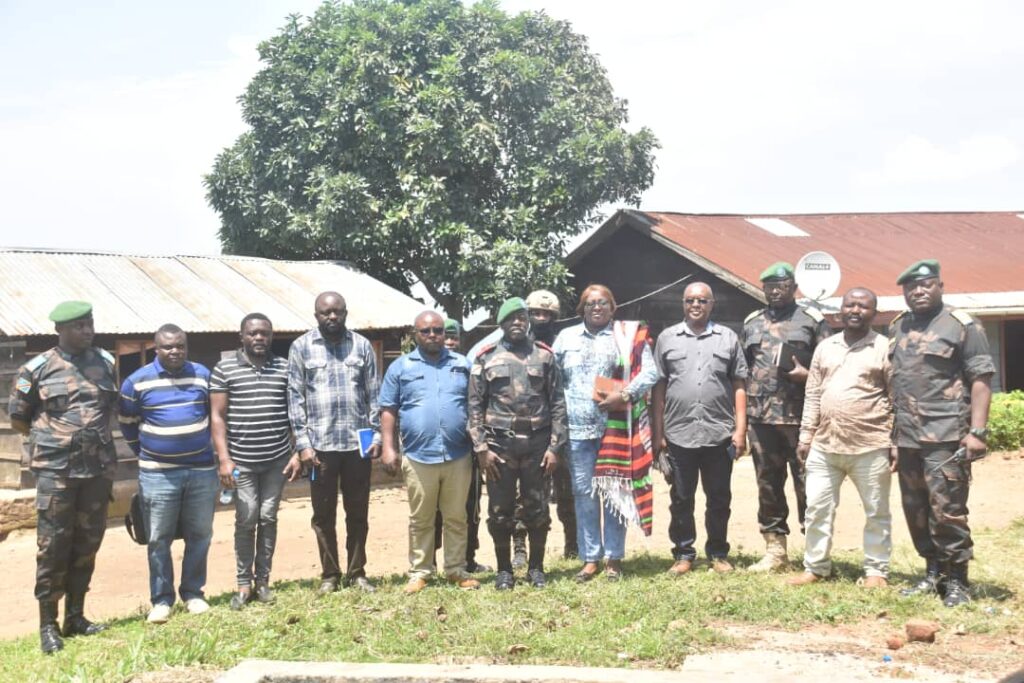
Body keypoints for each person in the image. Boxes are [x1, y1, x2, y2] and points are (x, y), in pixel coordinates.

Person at [8, 301, 118, 653]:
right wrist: (56, 440)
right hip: (57, 472)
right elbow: (19, 419)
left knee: (87, 544)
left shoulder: (105, 361)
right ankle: (48, 626)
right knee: (53, 547)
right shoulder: (36, 369)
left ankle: (76, 617)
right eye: (80, 326)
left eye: (90, 324)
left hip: (97, 469)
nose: (88, 331)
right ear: (61, 330)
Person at [890, 260, 995, 607]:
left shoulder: (961, 325)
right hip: (907, 437)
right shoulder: (898, 326)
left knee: (947, 509)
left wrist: (977, 432)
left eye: (926, 284)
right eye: (911, 287)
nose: (918, 291)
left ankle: (958, 582)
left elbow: (981, 380)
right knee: (915, 508)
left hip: (946, 436)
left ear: (940, 286)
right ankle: (932, 573)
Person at [788, 288, 894, 588]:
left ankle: (876, 571)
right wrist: (806, 436)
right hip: (824, 444)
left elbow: (895, 396)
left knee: (876, 511)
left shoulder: (885, 348)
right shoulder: (825, 347)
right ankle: (815, 567)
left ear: (874, 313)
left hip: (871, 445)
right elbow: (813, 394)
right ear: (840, 310)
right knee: (817, 507)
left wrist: (894, 440)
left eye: (863, 306)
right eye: (850, 305)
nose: (855, 311)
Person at [552, 284, 658, 582]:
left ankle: (614, 557)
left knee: (614, 492)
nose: (596, 308)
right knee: (583, 493)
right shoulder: (566, 338)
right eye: (590, 304)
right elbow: (553, 381)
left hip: (616, 428)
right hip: (577, 430)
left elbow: (650, 373)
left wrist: (624, 395)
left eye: (602, 303)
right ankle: (590, 558)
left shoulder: (625, 336)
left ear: (613, 307)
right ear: (582, 309)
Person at [119, 324, 218, 624]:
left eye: (179, 346)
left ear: (186, 347)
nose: (174, 352)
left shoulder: (202, 374)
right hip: (158, 474)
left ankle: (193, 593)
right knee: (158, 537)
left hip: (201, 469)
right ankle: (162, 600)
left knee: (200, 533)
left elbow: (211, 415)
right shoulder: (136, 382)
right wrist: (150, 452)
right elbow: (127, 423)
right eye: (167, 347)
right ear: (156, 348)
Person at [469, 297, 567, 589]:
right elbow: (474, 407)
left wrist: (554, 448)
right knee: (500, 511)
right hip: (499, 449)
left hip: (538, 446)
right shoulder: (485, 357)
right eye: (511, 319)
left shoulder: (545, 357)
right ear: (501, 324)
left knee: (537, 509)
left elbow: (558, 404)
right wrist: (481, 449)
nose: (517, 323)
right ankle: (504, 571)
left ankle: (536, 568)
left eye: (522, 319)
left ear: (528, 323)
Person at [287, 291, 381, 594]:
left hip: (357, 446)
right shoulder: (301, 347)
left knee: (358, 512)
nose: (332, 317)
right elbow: (295, 398)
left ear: (345, 313)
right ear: (316, 315)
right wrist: (303, 444)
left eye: (337, 312)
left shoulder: (362, 346)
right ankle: (330, 574)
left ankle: (357, 572)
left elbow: (373, 396)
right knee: (323, 513)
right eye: (326, 312)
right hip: (320, 450)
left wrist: (375, 434)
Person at [380, 311, 481, 593]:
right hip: (418, 456)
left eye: (438, 330)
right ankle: (420, 572)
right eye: (426, 331)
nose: (433, 336)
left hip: (458, 454)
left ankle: (456, 569)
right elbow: (388, 409)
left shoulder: (462, 365)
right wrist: (389, 447)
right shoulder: (401, 367)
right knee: (421, 518)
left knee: (456, 517)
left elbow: (475, 405)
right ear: (415, 334)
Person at [651, 283, 748, 575]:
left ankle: (718, 553)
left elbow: (739, 384)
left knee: (719, 498)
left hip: (719, 433)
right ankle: (683, 554)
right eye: (690, 300)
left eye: (702, 300)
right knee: (681, 498)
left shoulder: (727, 338)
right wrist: (658, 433)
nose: (696, 305)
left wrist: (740, 430)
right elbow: (658, 388)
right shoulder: (667, 338)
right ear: (683, 304)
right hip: (678, 433)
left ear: (712, 304)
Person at [741, 262, 831, 572]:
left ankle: (815, 553)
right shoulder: (751, 322)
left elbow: (829, 368)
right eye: (769, 285)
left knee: (810, 485)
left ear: (794, 287)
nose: (775, 290)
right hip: (761, 419)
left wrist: (808, 376)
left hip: (802, 420)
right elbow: (744, 370)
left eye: (781, 285)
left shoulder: (811, 321)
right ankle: (775, 551)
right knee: (768, 484)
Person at [211, 313, 302, 610]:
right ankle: (242, 584)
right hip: (243, 462)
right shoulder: (224, 369)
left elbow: (295, 412)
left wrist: (294, 452)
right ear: (242, 336)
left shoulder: (285, 368)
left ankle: (263, 581)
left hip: (277, 460)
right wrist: (224, 459)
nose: (259, 338)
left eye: (264, 333)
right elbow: (217, 416)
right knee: (246, 518)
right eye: (253, 333)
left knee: (268, 517)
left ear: (272, 336)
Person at [434, 318, 491, 574]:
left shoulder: (469, 367)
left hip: (466, 451)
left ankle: (467, 560)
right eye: (445, 336)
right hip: (432, 453)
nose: (448, 341)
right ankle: (429, 563)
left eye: (453, 337)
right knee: (433, 511)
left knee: (470, 508)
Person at [525, 290, 577, 560]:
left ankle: (572, 545)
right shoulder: (519, 345)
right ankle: (522, 550)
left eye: (546, 314)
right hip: (531, 431)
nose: (541, 318)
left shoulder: (563, 344)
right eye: (536, 313)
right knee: (530, 494)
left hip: (562, 428)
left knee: (567, 492)